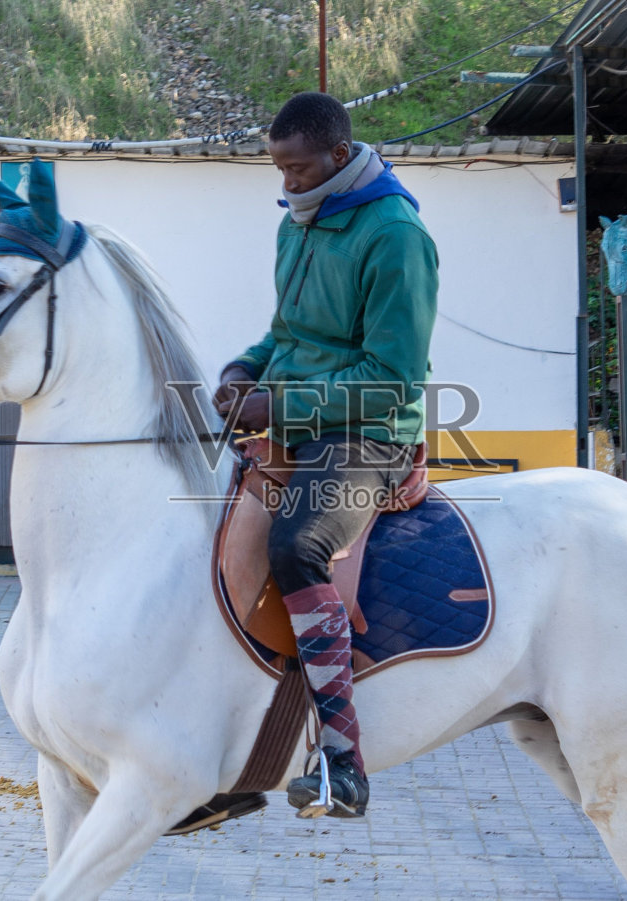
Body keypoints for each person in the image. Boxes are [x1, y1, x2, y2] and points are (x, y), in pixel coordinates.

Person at [212, 91, 438, 818]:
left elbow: (393, 379)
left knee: (298, 545)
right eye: (278, 170)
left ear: (339, 156)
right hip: (298, 422)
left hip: (369, 432)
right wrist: (243, 370)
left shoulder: (396, 234)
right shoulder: (300, 225)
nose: (287, 184)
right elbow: (288, 336)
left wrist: (281, 404)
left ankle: (343, 764)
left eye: (298, 169)